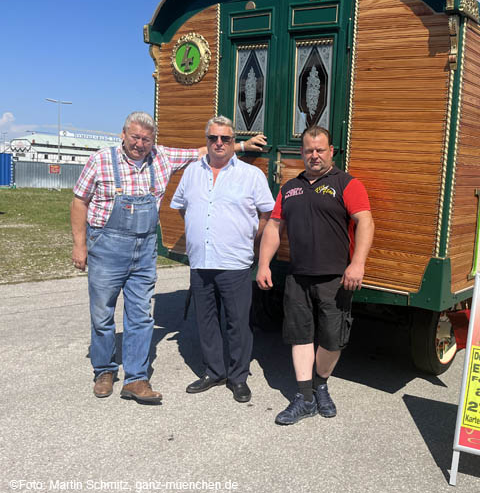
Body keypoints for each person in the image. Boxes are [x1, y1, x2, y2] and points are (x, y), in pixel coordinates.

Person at [71, 111, 266, 403]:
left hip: (145, 251)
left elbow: (203, 151)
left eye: (146, 139)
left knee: (141, 317)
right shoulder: (100, 160)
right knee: (102, 315)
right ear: (123, 135)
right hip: (108, 249)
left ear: (153, 141)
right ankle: (105, 370)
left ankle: (136, 378)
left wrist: (241, 146)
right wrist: (80, 245)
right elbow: (79, 201)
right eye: (135, 137)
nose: (140, 143)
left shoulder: (162, 158)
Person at [256, 125, 374, 425]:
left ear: (331, 151)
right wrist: (264, 264)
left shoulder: (347, 184)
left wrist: (357, 264)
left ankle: (321, 383)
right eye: (309, 150)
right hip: (298, 276)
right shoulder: (289, 188)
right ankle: (306, 397)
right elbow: (273, 227)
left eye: (320, 149)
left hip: (335, 278)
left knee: (333, 340)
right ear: (302, 153)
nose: (314, 155)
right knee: (300, 337)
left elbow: (365, 222)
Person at [171, 115, 274, 402]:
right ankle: (214, 371)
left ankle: (238, 377)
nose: (218, 143)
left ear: (233, 142)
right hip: (201, 260)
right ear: (207, 141)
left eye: (225, 139)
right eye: (213, 138)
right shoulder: (191, 172)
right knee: (205, 321)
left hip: (235, 262)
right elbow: (182, 207)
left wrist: (251, 238)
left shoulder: (251, 176)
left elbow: (267, 212)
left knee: (238, 323)